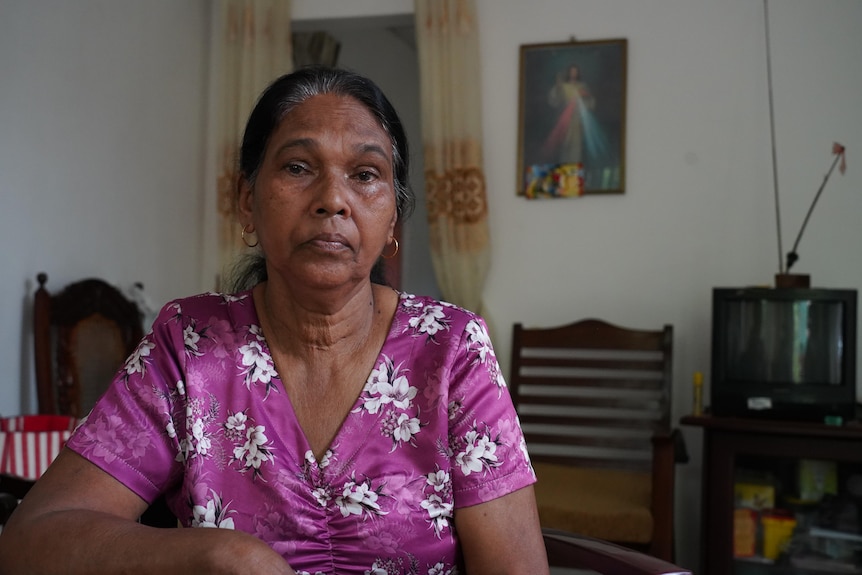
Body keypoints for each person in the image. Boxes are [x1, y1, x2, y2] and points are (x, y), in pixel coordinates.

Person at [0, 67, 548, 574]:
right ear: (247, 201)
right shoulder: (190, 345)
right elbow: (30, 540)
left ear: (393, 218)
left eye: (365, 174)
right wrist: (218, 553)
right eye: (297, 167)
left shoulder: (452, 350)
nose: (333, 199)